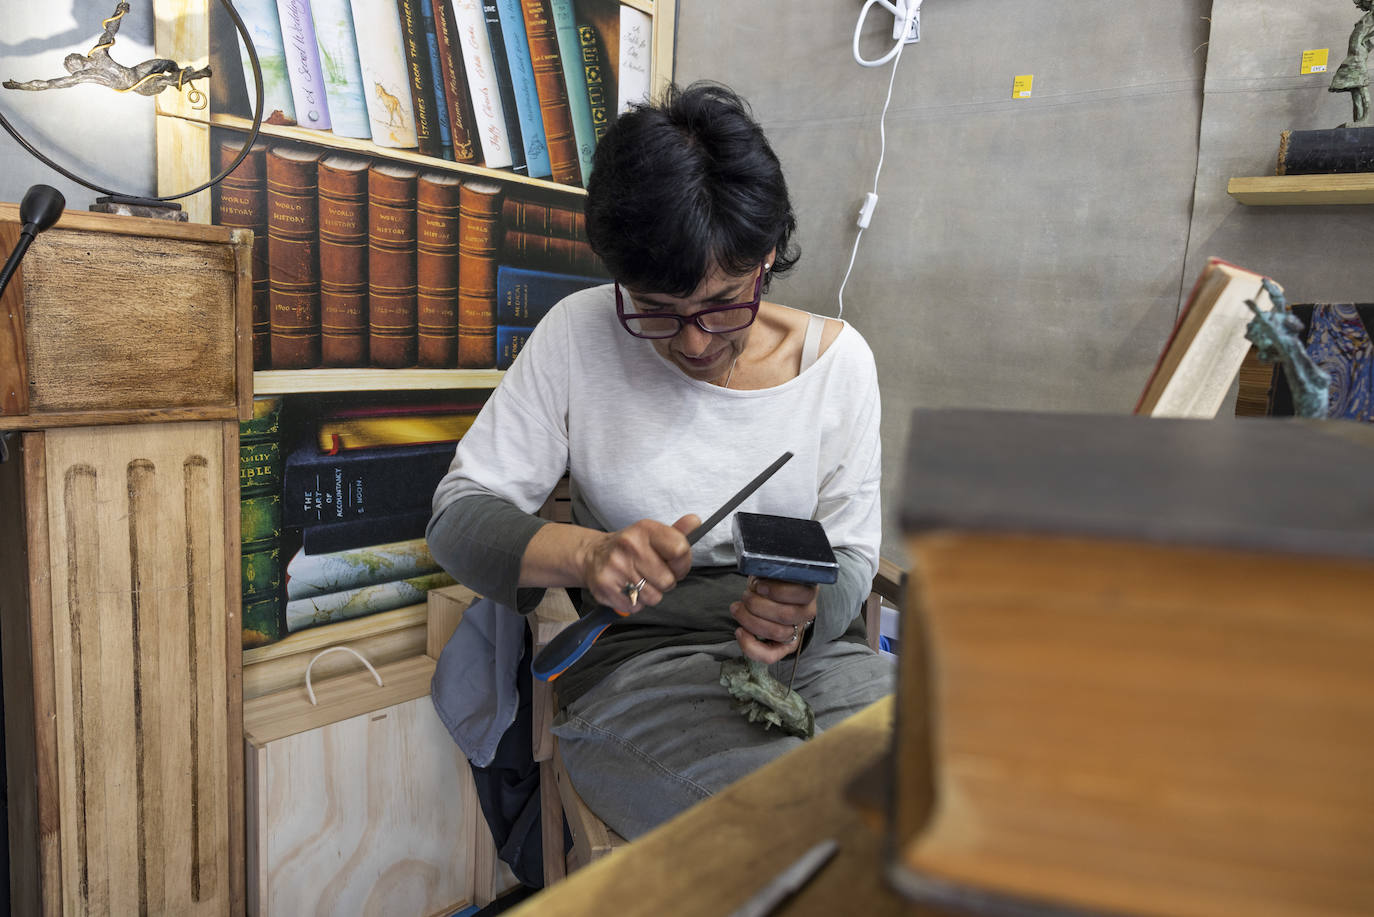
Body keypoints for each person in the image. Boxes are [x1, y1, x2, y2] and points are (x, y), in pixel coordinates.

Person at [428, 81, 891, 844]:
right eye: (655, 308)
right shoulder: (579, 336)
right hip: (639, 670)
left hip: (815, 668)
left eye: (721, 303)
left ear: (765, 259)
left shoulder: (839, 367)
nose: (694, 342)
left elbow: (850, 552)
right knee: (798, 834)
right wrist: (589, 553)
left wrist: (803, 615)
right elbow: (457, 518)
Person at [1330, 0, 1374, 127]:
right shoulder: (1368, 15)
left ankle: (1365, 118)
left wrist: (1366, 39)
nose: (1361, 5)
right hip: (1353, 52)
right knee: (1354, 88)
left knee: (1361, 85)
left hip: (1357, 53)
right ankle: (1358, 120)